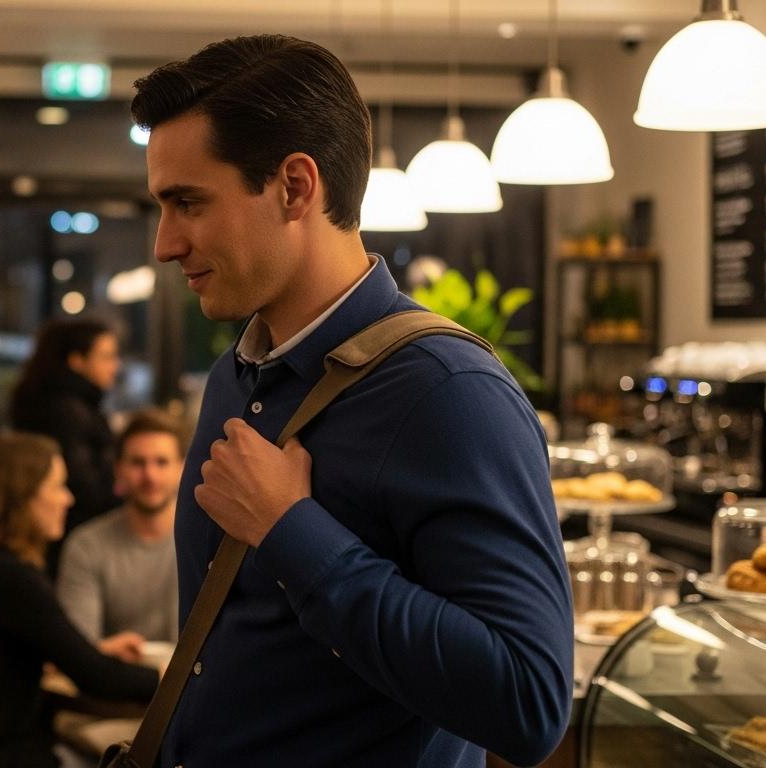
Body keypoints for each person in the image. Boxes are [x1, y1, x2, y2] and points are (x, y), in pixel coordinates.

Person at [132, 34, 573, 767]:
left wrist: (293, 530)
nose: (164, 243)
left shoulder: (448, 391)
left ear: (296, 187)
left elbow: (530, 704)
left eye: (188, 203)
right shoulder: (233, 377)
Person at [0, 433, 158, 768]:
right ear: (22, 496)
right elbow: (97, 677)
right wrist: (172, 677)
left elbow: (1, 661)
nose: (67, 499)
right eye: (57, 486)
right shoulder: (11, 579)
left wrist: (96, 651)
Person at [56, 409, 182, 645]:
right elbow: (78, 649)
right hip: (115, 679)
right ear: (118, 469)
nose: (150, 476)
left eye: (162, 462)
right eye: (138, 463)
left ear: (182, 468)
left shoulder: (207, 543)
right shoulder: (86, 545)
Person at [10, 319, 122, 534]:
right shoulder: (69, 410)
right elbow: (84, 485)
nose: (115, 365)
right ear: (77, 361)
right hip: (73, 528)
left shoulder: (54, 400)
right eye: (107, 357)